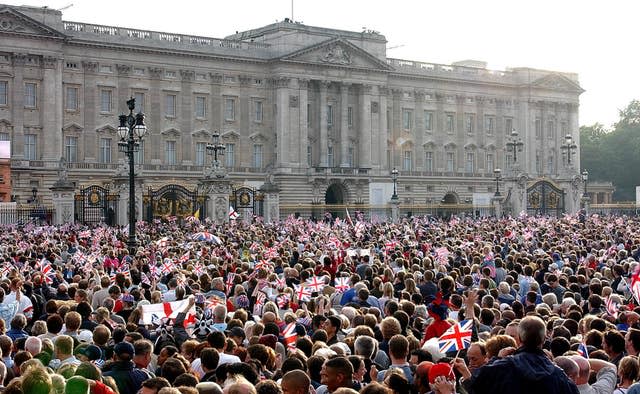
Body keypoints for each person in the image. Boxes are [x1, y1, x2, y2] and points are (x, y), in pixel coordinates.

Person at [457, 316, 580, 394]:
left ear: (520, 338)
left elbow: (475, 384)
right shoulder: (558, 375)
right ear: (543, 340)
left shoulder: (503, 366)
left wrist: (497, 359)